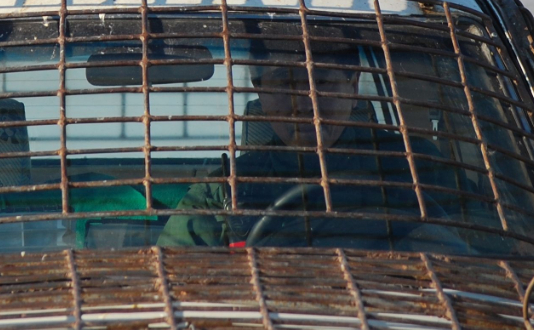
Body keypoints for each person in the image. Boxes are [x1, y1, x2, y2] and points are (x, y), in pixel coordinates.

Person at [157, 44, 460, 249]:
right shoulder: (224, 192)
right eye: (284, 85)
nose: (304, 104)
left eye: (322, 83)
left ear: (352, 86)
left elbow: (477, 261)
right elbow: (174, 284)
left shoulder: (417, 170)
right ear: (259, 91)